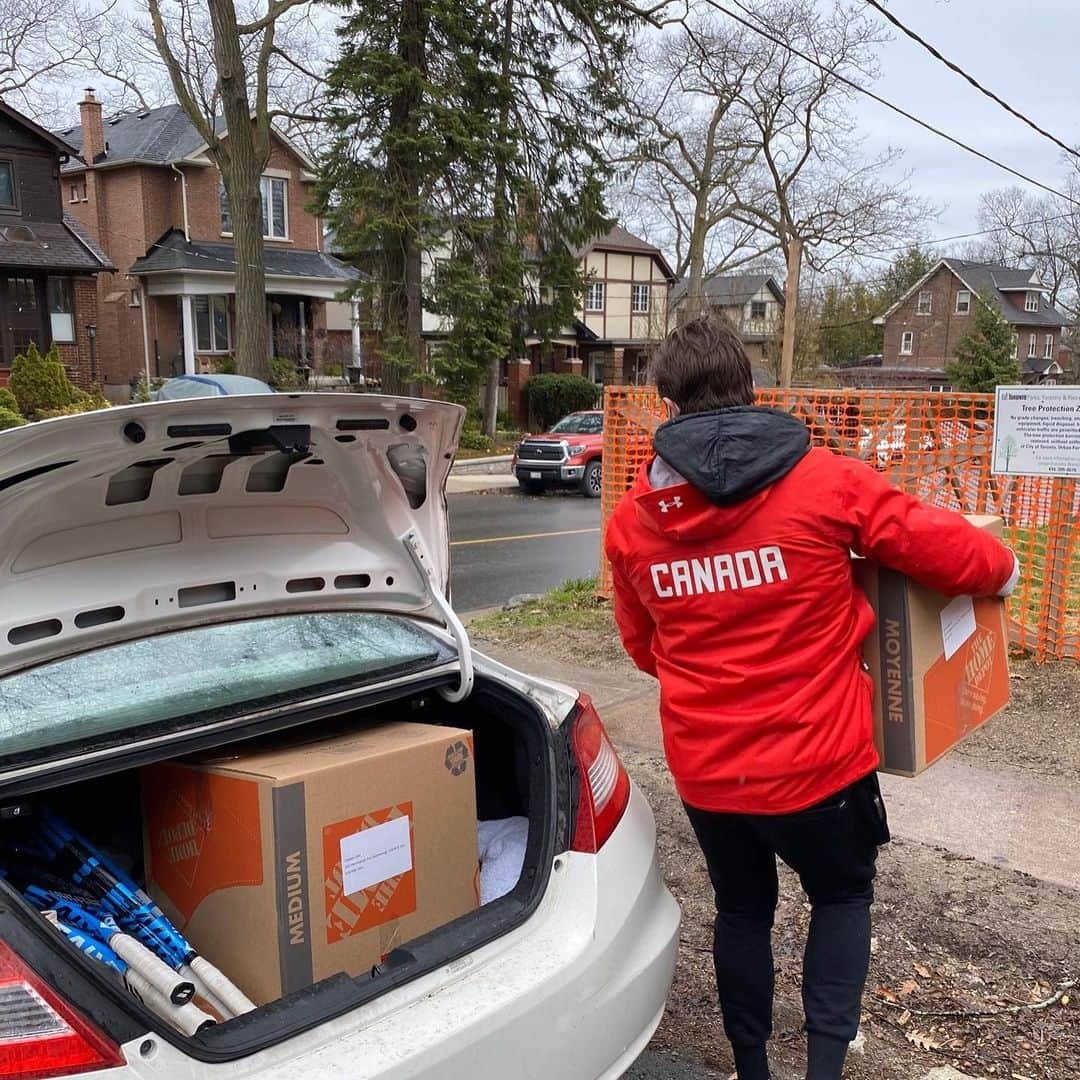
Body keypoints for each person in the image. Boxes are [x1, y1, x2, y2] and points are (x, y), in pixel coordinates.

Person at [604, 314, 1019, 1080]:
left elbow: (643, 648)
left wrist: (714, 676)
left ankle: (753, 1070)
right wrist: (1002, 568)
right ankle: (824, 1069)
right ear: (749, 387)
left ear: (666, 401)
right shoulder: (823, 480)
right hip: (820, 768)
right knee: (840, 898)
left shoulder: (633, 522)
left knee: (741, 911)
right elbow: (933, 541)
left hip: (709, 773)